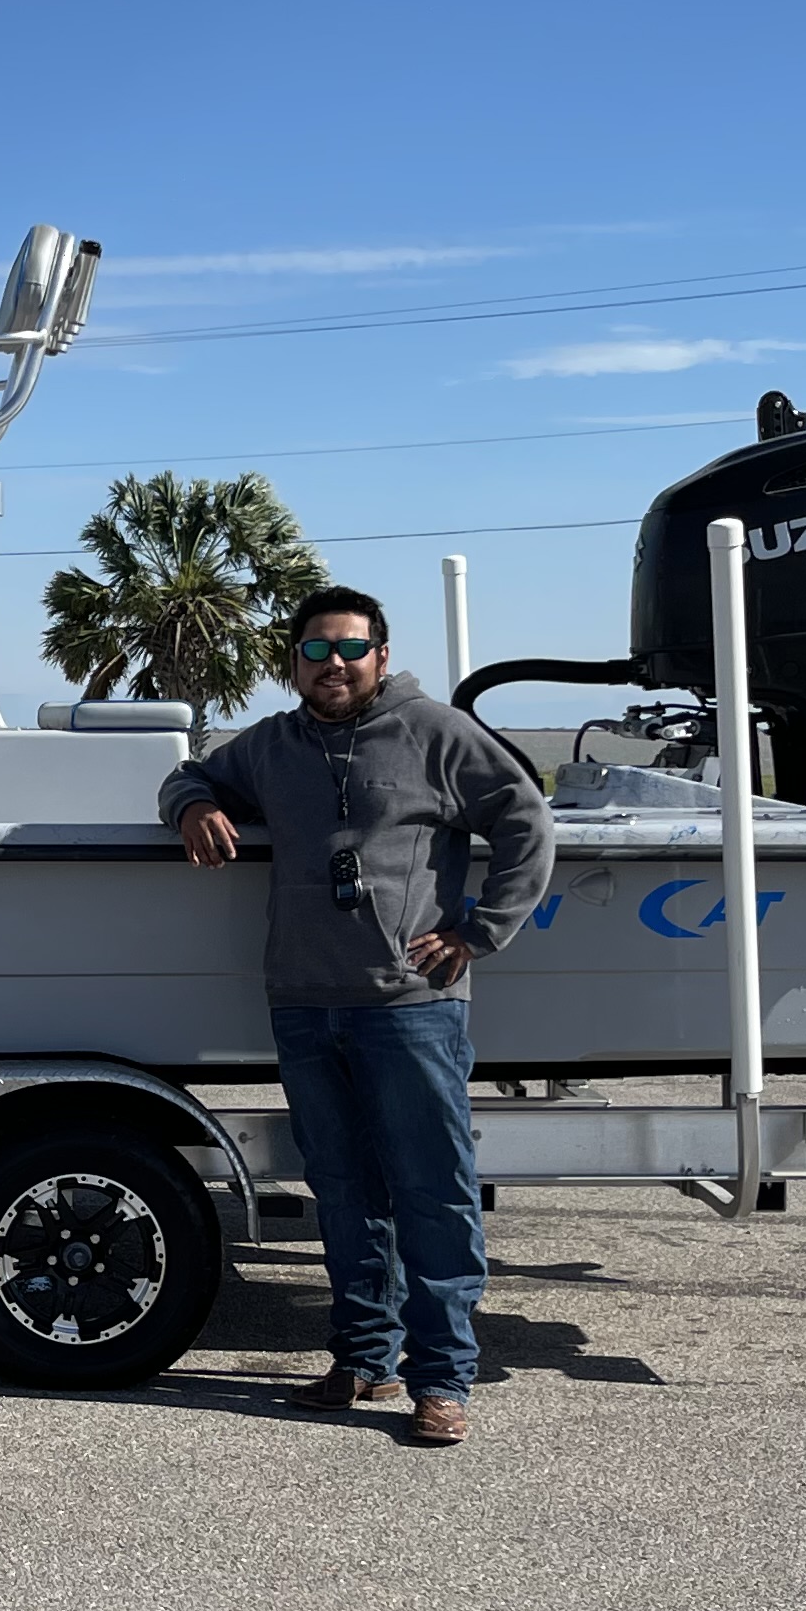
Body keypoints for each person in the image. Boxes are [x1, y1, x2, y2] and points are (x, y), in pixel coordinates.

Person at [163, 585, 554, 1443]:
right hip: (305, 1003)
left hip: (410, 1007)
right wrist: (194, 806)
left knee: (433, 1194)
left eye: (349, 648)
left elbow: (526, 818)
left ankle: (444, 1379)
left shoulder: (437, 733)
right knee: (342, 1193)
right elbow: (188, 772)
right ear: (293, 661)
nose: (332, 664)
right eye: (314, 650)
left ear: (380, 654)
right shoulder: (273, 746)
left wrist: (479, 933)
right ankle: (362, 1360)